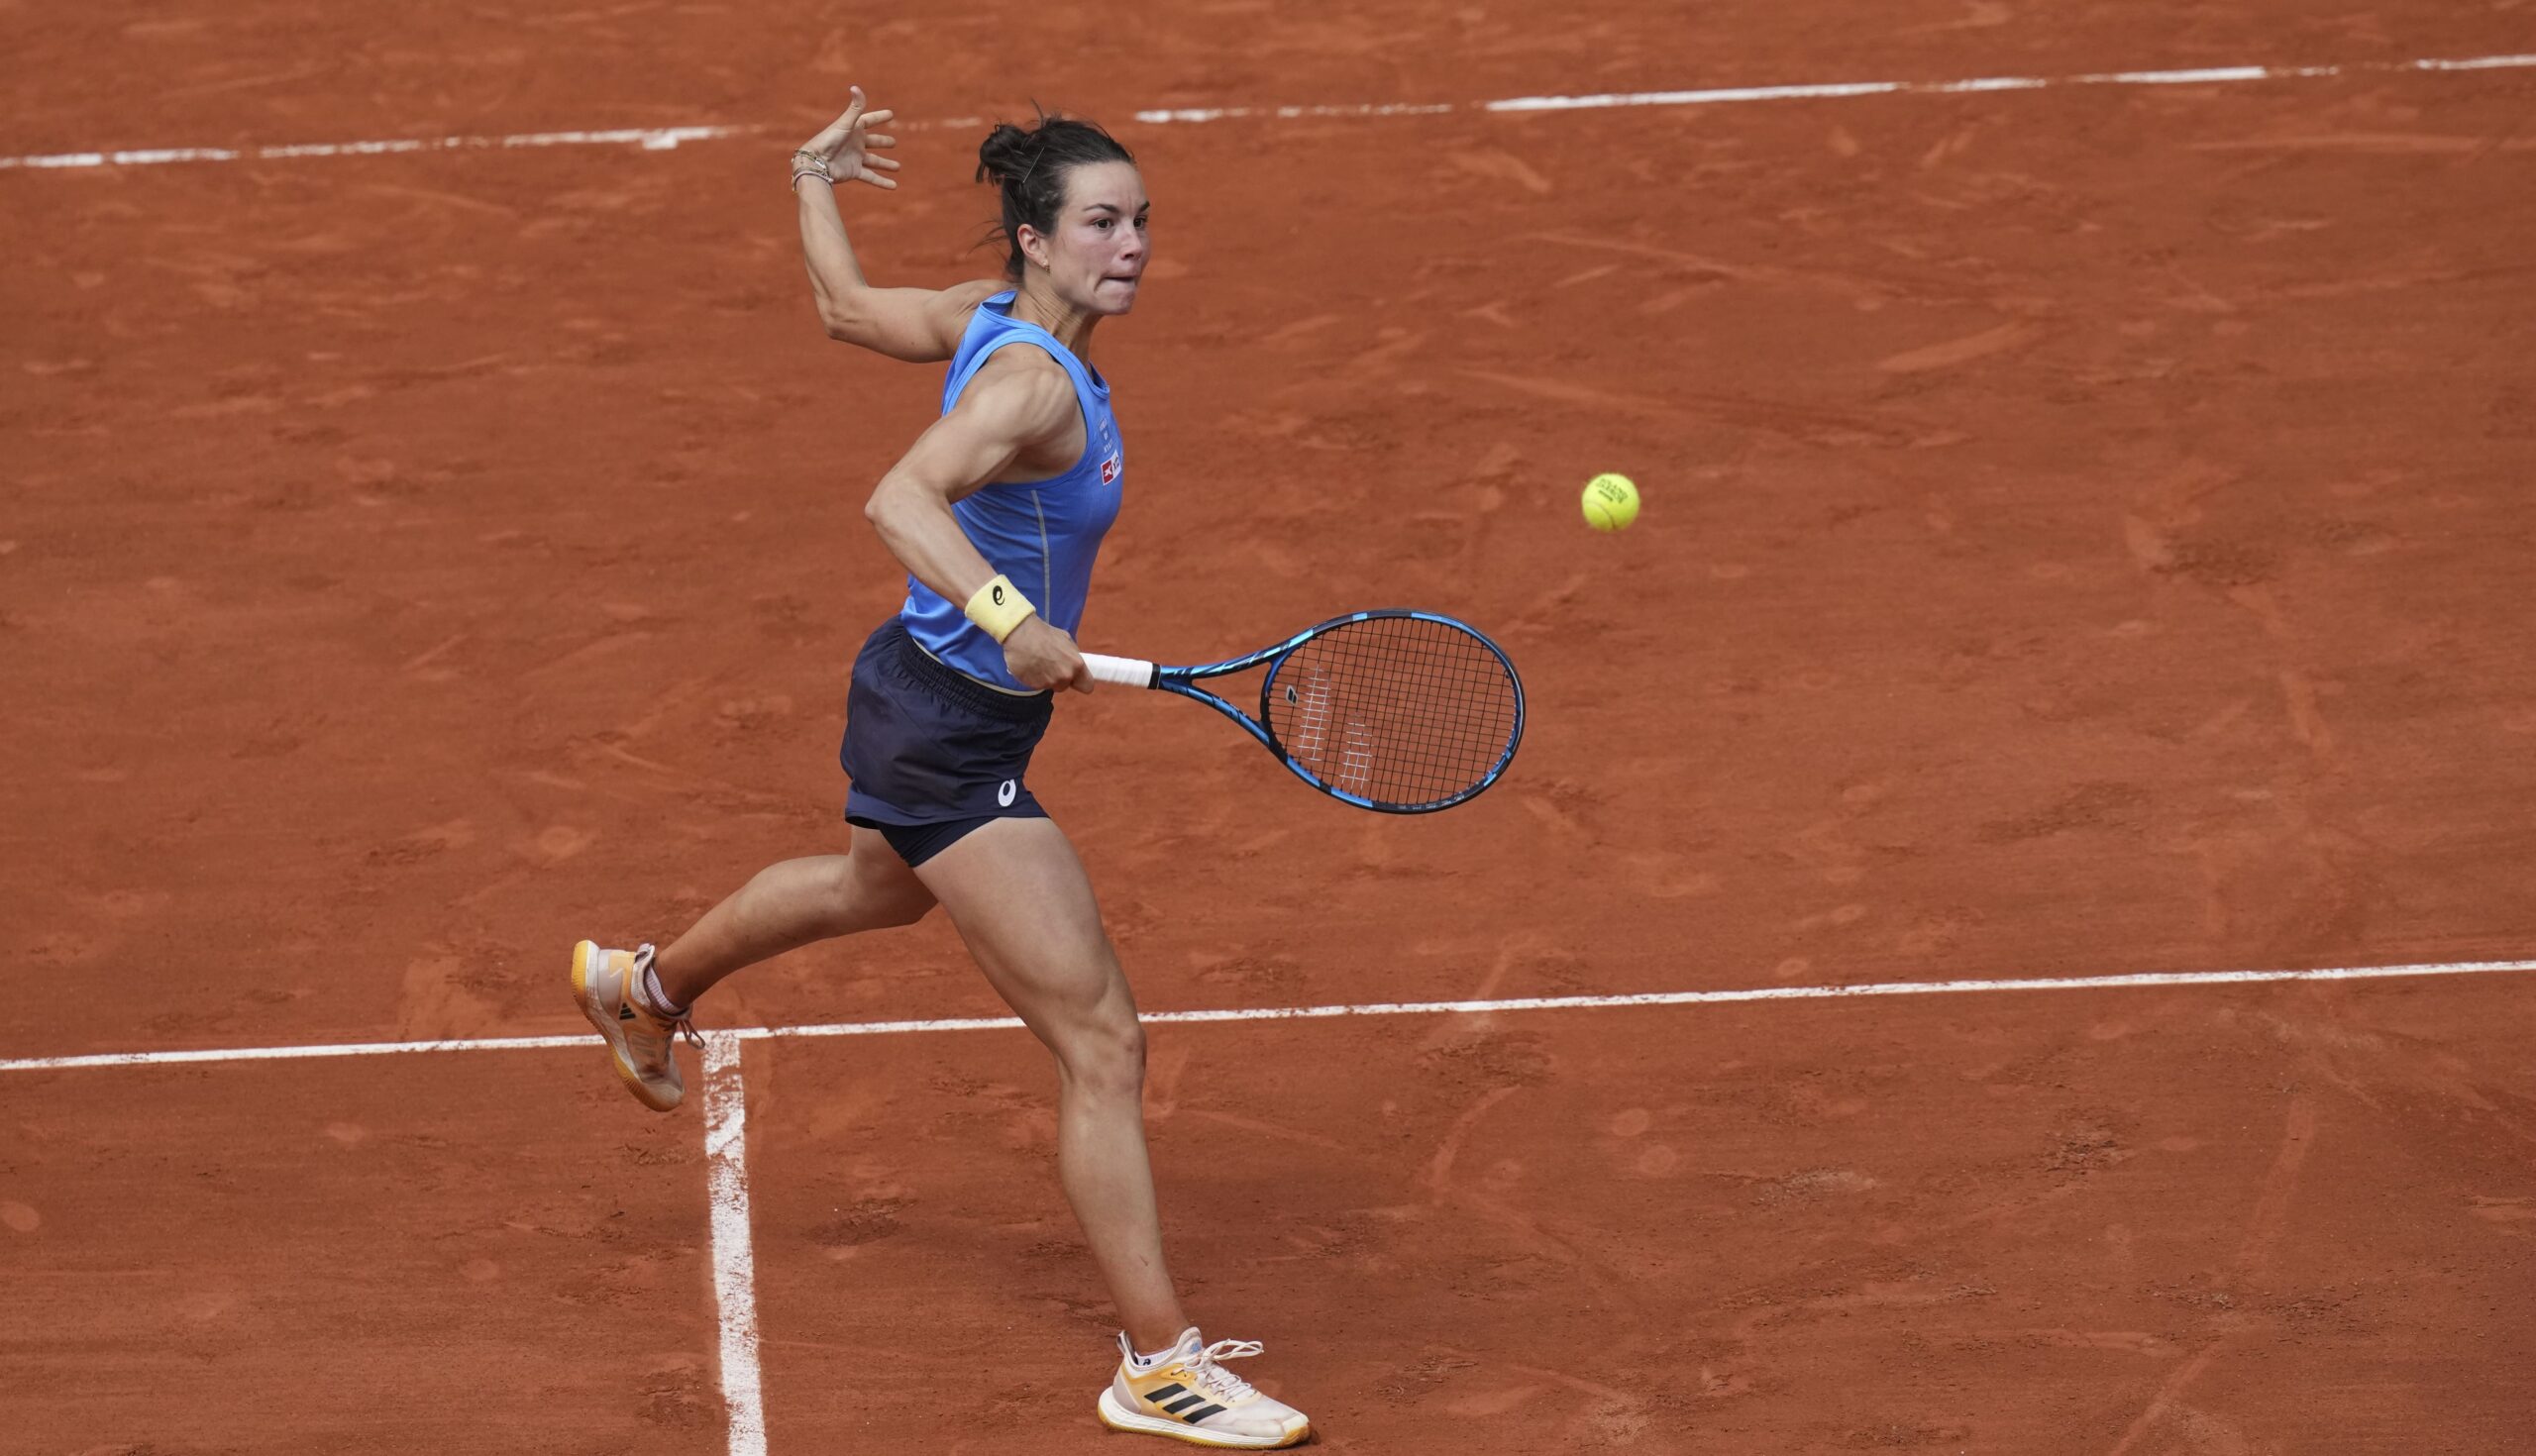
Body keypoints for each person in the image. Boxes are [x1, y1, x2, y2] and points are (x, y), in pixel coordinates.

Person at [568, 88, 1312, 1450]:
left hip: (923, 698)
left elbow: (851, 311)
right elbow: (898, 496)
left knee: (871, 888)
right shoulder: (1032, 379)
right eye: (1101, 223)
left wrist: (809, 176)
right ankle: (1157, 1364)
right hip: (953, 727)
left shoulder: (993, 317)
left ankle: (643, 984)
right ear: (1037, 238)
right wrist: (1015, 619)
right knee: (1102, 1038)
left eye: (1141, 220)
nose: (1132, 243)